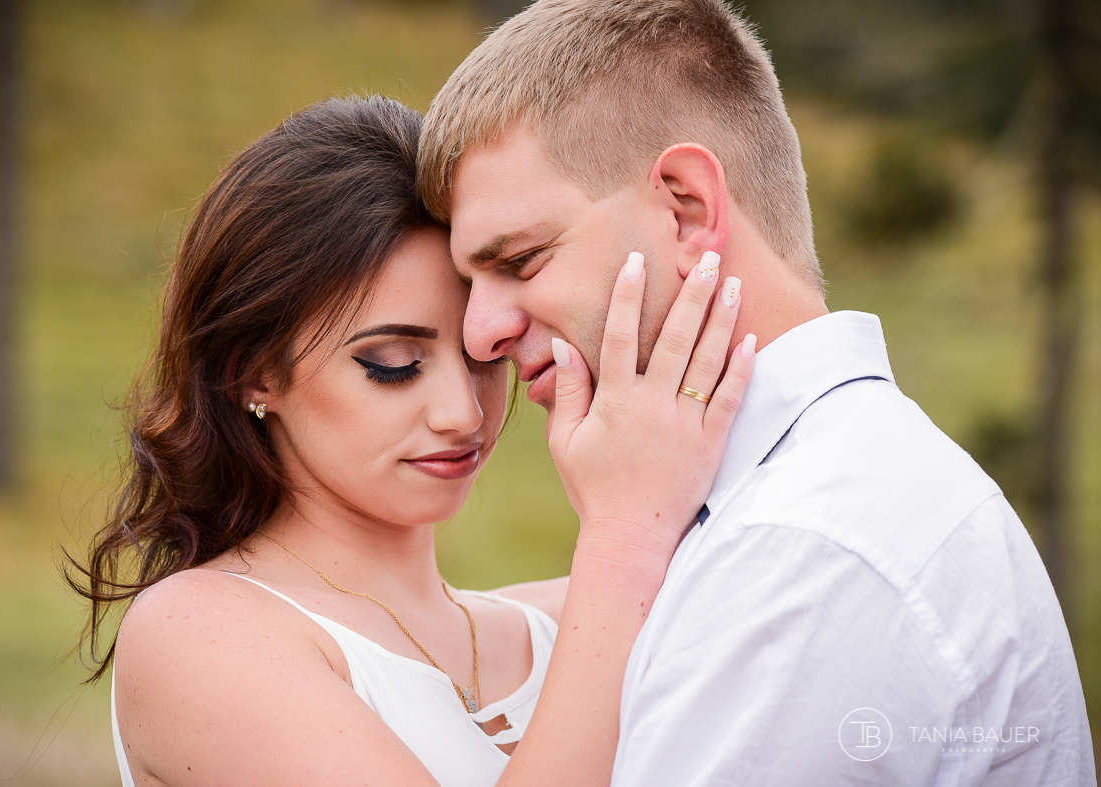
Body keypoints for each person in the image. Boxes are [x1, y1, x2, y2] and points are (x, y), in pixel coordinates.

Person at [417, 0, 1095, 784]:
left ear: (686, 207)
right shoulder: (778, 507)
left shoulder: (803, 551)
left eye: (520, 261)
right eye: (470, 282)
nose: (478, 336)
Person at [69, 95, 756, 786]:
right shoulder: (199, 634)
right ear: (254, 374)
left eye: (484, 354)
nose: (463, 413)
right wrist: (625, 531)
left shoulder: (574, 614)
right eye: (392, 364)